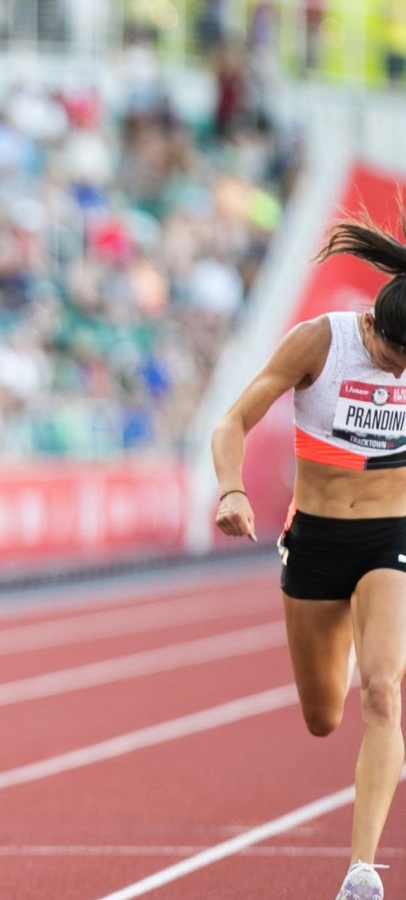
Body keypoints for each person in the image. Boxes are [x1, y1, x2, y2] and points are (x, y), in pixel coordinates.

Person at [213, 214, 406, 900]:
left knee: (384, 692)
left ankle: (361, 872)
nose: (398, 370)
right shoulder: (319, 343)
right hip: (317, 540)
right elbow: (230, 421)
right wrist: (234, 490)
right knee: (323, 715)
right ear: (374, 327)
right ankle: (345, 641)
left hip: (390, 538)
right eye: (392, 353)